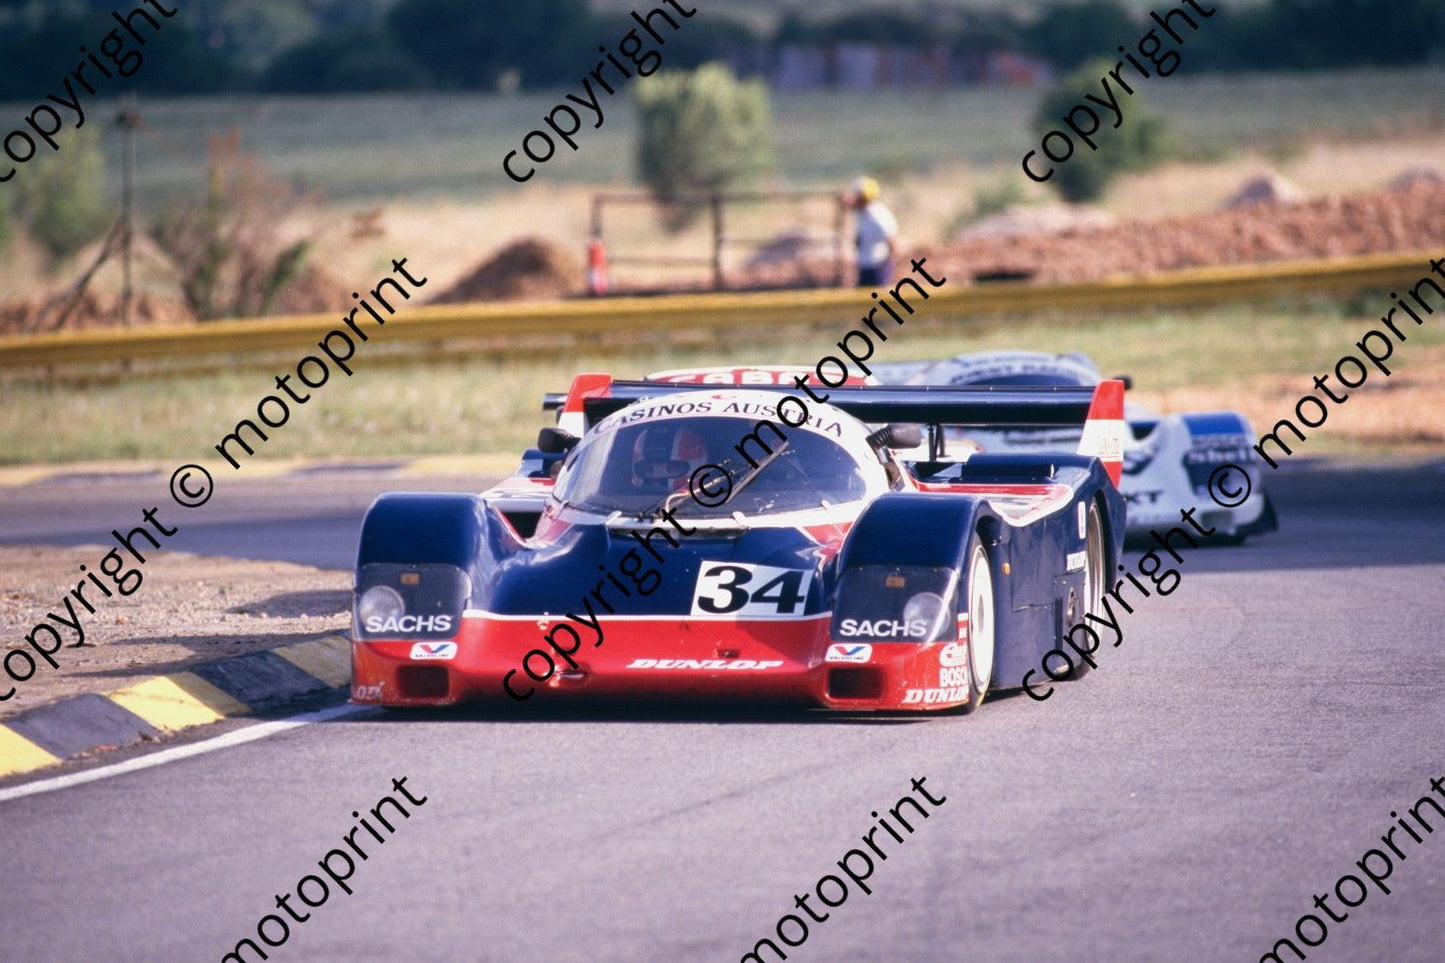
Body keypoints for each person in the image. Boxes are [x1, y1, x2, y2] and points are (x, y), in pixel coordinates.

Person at [848, 176, 898, 287]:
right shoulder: (861, 211)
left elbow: (892, 241)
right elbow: (849, 205)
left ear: (863, 199)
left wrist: (889, 268)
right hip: (865, 267)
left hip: (878, 268)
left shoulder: (878, 217)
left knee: (878, 297)